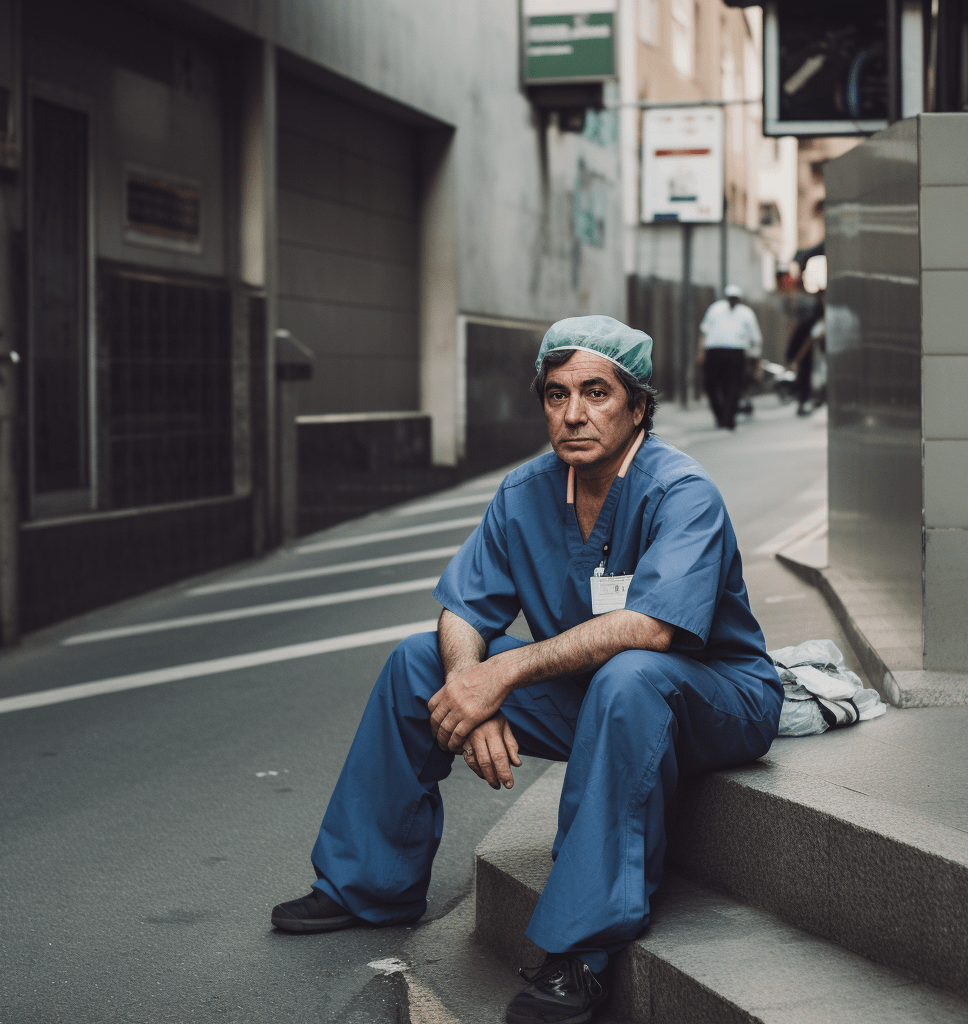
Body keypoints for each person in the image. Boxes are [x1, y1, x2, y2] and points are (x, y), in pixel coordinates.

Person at [271, 315, 783, 1024]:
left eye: (596, 393)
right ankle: (368, 884)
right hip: (602, 695)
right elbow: (461, 610)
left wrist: (500, 680)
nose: (573, 413)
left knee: (631, 672)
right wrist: (467, 689)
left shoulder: (681, 490)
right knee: (419, 662)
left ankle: (581, 951)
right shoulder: (527, 491)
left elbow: (651, 627)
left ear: (638, 407)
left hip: (717, 695)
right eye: (555, 394)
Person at [697, 284, 763, 430]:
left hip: (736, 351)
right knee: (711, 385)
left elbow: (755, 338)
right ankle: (721, 415)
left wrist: (755, 358)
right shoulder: (715, 309)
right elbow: (705, 331)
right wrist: (701, 351)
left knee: (732, 386)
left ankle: (728, 418)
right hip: (715, 350)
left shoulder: (746, 313)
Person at [785, 294, 824, 416]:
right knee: (804, 377)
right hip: (802, 354)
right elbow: (807, 343)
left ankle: (805, 401)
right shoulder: (815, 324)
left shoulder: (810, 322)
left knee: (806, 377)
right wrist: (796, 360)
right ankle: (802, 403)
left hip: (803, 353)